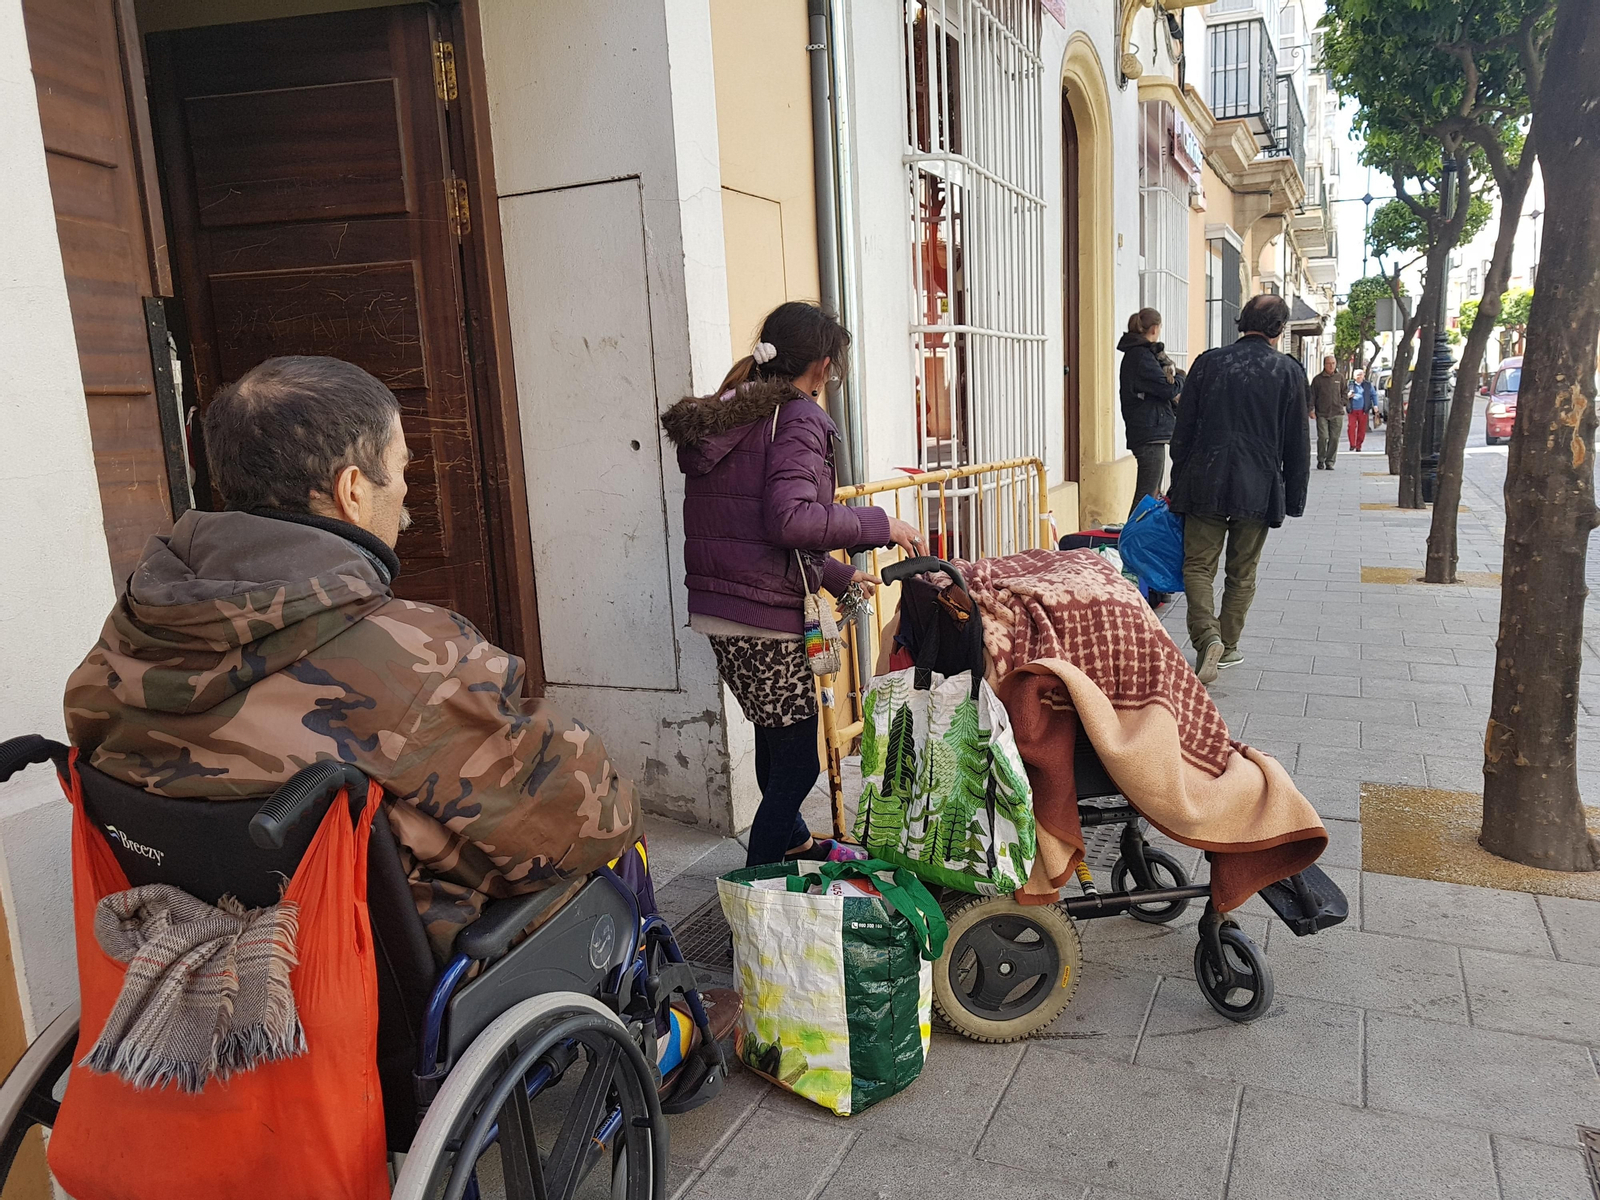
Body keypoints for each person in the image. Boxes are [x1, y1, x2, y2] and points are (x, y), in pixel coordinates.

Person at [63, 356, 641, 962]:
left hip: (208, 947)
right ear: (352, 490)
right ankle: (660, 1028)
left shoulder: (125, 639)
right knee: (617, 861)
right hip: (373, 972)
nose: (407, 489)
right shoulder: (414, 655)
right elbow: (585, 817)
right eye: (401, 469)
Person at [662, 302, 920, 867]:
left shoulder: (735, 412)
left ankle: (796, 841)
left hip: (723, 608)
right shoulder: (798, 418)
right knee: (800, 762)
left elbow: (750, 530)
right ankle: (756, 890)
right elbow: (789, 520)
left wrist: (836, 573)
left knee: (775, 737)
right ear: (822, 366)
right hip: (761, 617)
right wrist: (882, 525)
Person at [1169, 295, 1310, 683]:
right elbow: (1298, 440)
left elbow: (1183, 430)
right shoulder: (1288, 371)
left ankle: (1206, 636)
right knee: (1242, 572)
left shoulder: (1209, 362)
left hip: (1204, 479)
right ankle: (1227, 644)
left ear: (1241, 321)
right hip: (1259, 483)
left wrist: (1177, 479)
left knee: (1197, 566)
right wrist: (1293, 497)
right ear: (1279, 330)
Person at [1118, 307, 1185, 515]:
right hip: (1148, 433)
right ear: (1155, 329)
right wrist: (1181, 377)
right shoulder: (1141, 356)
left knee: (1152, 492)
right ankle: (1131, 540)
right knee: (1146, 495)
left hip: (1150, 431)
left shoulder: (1140, 354)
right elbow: (1167, 388)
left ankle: (1141, 538)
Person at [1309, 354, 1344, 470]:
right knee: (1323, 437)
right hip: (1322, 413)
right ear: (1324, 365)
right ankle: (1321, 459)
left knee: (1334, 438)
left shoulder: (1340, 378)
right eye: (1329, 363)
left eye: (1333, 363)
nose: (1331, 366)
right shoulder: (1318, 379)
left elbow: (1345, 392)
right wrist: (1311, 409)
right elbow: (1312, 395)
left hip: (1337, 412)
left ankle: (1330, 461)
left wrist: (1342, 402)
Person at [1347, 368, 1376, 451]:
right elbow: (1342, 395)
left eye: (1361, 374)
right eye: (1357, 375)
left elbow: (1373, 395)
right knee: (1351, 427)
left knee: (1362, 429)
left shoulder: (1367, 385)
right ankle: (1352, 444)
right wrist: (1347, 396)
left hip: (1363, 410)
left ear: (1364, 376)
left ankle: (1358, 446)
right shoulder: (1350, 384)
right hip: (1352, 410)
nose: (1359, 376)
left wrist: (1375, 405)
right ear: (1354, 376)